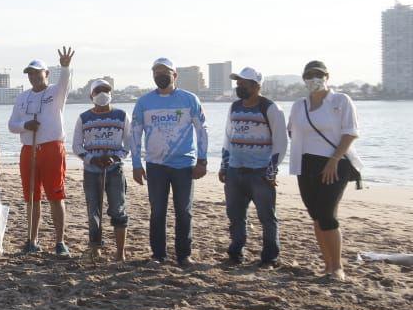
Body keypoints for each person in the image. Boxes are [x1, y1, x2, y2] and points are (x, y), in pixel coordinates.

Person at [130, 58, 209, 267]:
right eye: (155, 72)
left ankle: (184, 255)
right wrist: (136, 164)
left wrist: (203, 160)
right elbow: (135, 134)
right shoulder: (144, 103)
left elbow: (202, 130)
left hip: (184, 165)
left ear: (175, 75)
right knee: (157, 211)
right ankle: (158, 254)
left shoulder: (189, 100)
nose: (160, 75)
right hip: (156, 165)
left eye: (164, 72)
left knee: (184, 211)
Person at [288, 60, 361, 282]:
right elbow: (292, 131)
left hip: (335, 163)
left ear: (327, 77)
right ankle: (327, 264)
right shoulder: (299, 105)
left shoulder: (340, 101)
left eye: (318, 74)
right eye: (309, 75)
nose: (314, 79)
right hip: (306, 164)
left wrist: (334, 159)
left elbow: (350, 132)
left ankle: (338, 267)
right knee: (316, 215)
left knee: (328, 214)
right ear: (303, 79)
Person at [218, 68, 288, 269]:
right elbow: (227, 138)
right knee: (235, 216)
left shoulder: (271, 108)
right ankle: (235, 253)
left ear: (257, 86)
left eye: (244, 84)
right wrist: (224, 165)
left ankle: (269, 258)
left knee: (267, 218)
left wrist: (271, 171)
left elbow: (280, 143)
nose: (239, 86)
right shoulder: (234, 107)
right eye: (238, 83)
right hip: (235, 170)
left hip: (260, 173)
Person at [8, 48, 75, 256]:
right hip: (29, 149)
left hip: (52, 148)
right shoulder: (22, 97)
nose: (34, 77)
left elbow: (65, 81)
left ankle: (60, 241)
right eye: (30, 74)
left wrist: (65, 67)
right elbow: (12, 125)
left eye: (38, 73)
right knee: (31, 197)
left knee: (55, 195)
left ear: (46, 74)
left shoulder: (56, 92)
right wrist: (26, 125)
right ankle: (32, 239)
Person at [71, 79, 130, 261]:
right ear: (91, 95)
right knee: (93, 211)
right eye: (98, 90)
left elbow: (129, 144)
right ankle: (95, 247)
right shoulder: (84, 118)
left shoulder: (121, 115)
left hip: (114, 170)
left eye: (106, 90)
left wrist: (114, 157)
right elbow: (76, 146)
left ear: (111, 93)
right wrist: (92, 159)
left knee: (118, 209)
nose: (103, 93)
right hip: (91, 171)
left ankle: (120, 252)